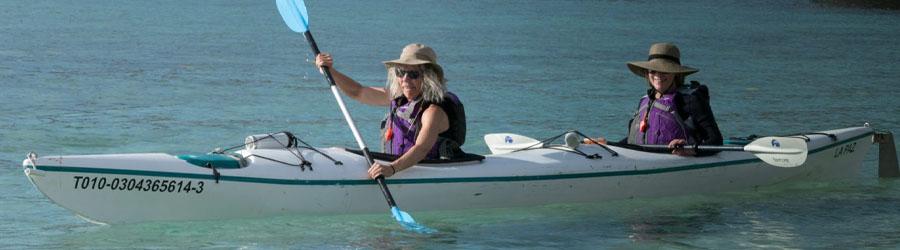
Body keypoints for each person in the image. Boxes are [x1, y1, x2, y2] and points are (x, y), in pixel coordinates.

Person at [315, 43, 466, 179]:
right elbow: (358, 92)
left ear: (429, 78)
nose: (405, 79)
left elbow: (421, 148)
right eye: (401, 72)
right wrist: (331, 71)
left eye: (413, 74)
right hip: (397, 166)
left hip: (425, 170)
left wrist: (392, 169)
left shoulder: (433, 112)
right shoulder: (399, 98)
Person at [585, 43, 722, 156]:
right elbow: (636, 142)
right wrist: (607, 144)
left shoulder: (691, 100)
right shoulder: (645, 101)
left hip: (676, 165)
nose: (658, 75)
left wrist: (691, 150)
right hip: (642, 161)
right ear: (647, 73)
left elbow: (716, 141)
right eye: (653, 71)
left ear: (675, 74)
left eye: (664, 71)